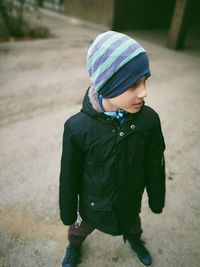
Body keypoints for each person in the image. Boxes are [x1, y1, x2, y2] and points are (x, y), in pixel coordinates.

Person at [59, 31, 166, 267]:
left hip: (128, 201)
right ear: (107, 85)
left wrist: (156, 198)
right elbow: (69, 175)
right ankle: (74, 247)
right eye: (133, 84)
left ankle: (135, 240)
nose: (144, 92)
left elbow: (154, 163)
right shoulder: (77, 128)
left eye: (145, 80)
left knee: (133, 225)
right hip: (91, 206)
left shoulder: (148, 121)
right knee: (77, 230)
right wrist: (68, 212)